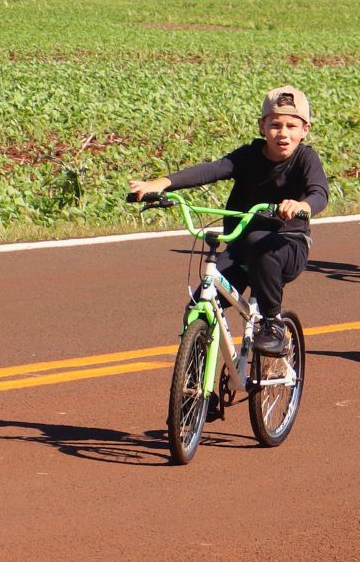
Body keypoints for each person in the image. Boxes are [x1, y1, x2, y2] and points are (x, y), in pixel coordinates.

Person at [128, 86, 328, 376]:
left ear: (304, 129)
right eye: (274, 125)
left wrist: (302, 206)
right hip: (241, 246)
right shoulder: (248, 156)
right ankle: (196, 389)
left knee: (260, 241)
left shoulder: (306, 159)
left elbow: (319, 193)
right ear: (262, 126)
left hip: (286, 246)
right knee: (199, 305)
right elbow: (212, 169)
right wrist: (163, 183)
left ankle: (271, 323)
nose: (282, 133)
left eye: (291, 126)